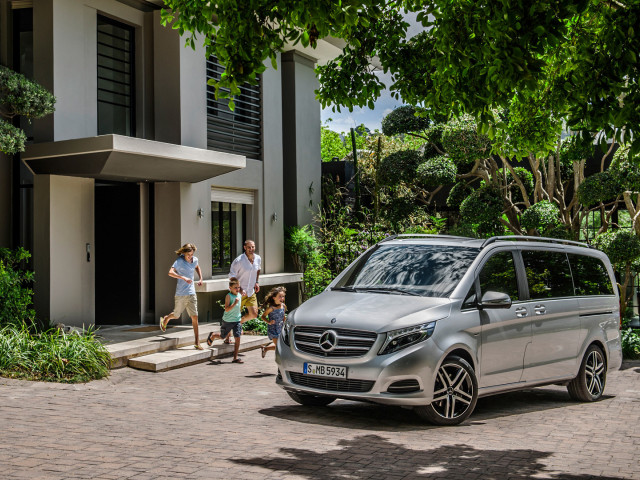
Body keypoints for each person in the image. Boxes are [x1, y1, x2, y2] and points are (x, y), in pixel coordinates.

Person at [159, 243, 204, 350]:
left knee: (195, 317)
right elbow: (170, 273)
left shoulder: (195, 260)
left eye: (191, 254)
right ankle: (166, 318)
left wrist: (200, 278)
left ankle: (197, 342)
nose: (190, 257)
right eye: (188, 255)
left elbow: (197, 267)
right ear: (183, 253)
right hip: (181, 294)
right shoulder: (179, 262)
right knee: (176, 315)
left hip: (191, 293)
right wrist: (183, 277)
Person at [225, 239, 261, 342]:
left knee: (254, 314)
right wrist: (239, 288)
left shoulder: (258, 258)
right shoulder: (239, 260)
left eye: (253, 247)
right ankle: (227, 337)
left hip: (250, 291)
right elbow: (231, 276)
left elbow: (258, 269)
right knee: (231, 316)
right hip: (239, 293)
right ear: (244, 247)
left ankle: (239, 323)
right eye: (249, 247)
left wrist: (256, 282)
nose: (251, 249)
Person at [206, 277, 245, 363]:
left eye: (239, 287)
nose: (237, 289)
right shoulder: (228, 296)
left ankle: (235, 357)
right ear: (230, 288)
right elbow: (226, 309)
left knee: (237, 338)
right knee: (222, 336)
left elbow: (238, 308)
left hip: (237, 320)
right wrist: (234, 303)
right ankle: (213, 335)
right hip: (228, 320)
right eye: (235, 287)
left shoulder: (239, 295)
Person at [260, 286, 286, 358]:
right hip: (273, 329)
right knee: (279, 347)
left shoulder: (283, 306)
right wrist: (269, 322)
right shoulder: (271, 308)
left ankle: (265, 348)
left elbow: (283, 317)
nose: (282, 298)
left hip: (281, 328)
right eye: (280, 296)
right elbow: (263, 316)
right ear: (274, 298)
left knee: (282, 346)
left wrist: (286, 323)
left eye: (283, 296)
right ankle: (280, 361)